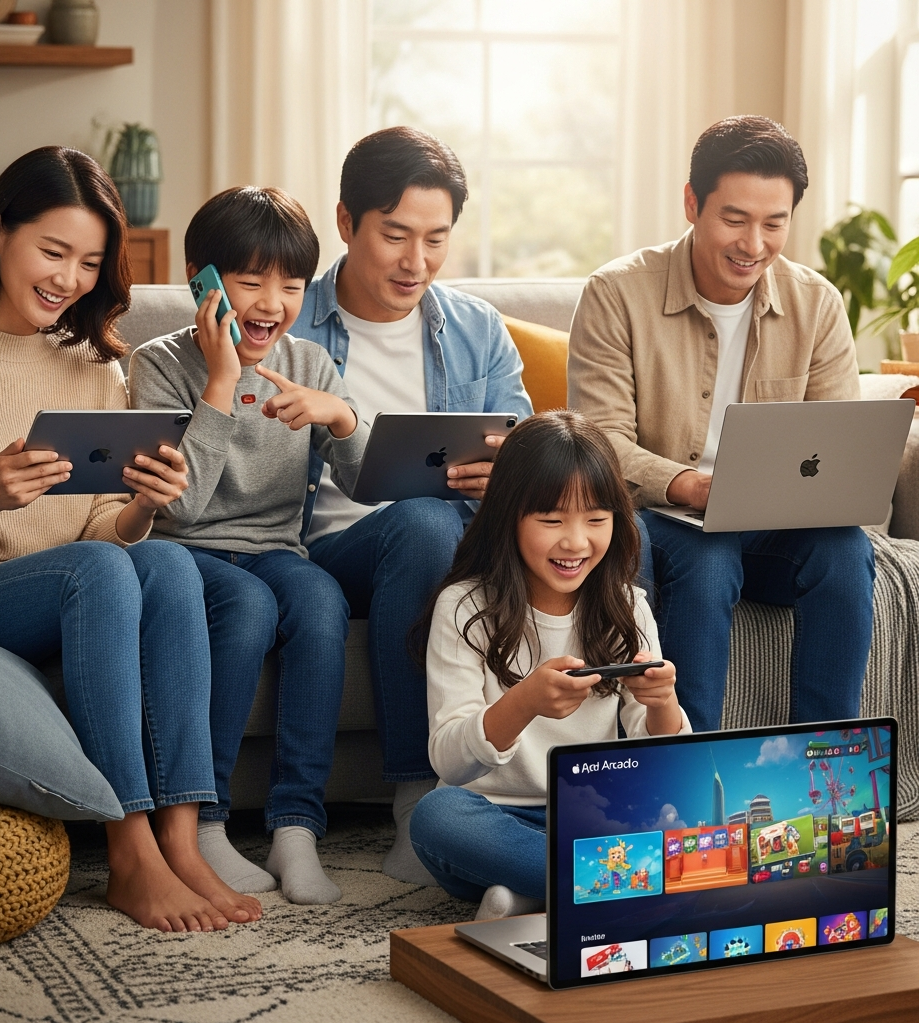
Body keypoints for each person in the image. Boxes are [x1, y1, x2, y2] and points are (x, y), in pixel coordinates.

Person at [0, 147, 260, 933]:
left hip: (67, 586)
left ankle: (181, 839)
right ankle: (128, 851)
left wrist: (139, 507)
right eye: (52, 252)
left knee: (161, 557)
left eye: (89, 263)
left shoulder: (97, 367)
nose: (68, 279)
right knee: (96, 571)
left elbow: (103, 533)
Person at [568, 115, 874, 733]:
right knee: (707, 562)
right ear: (692, 203)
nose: (753, 244)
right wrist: (688, 484)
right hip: (661, 517)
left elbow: (840, 445)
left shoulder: (817, 304)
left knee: (845, 550)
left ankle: (825, 759)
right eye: (734, 219)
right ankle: (692, 758)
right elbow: (599, 443)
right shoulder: (617, 293)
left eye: (774, 223)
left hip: (771, 527)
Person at [289, 126, 534, 884]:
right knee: (424, 522)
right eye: (395, 236)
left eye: (436, 239)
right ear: (345, 222)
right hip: (325, 550)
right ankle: (412, 795)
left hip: (444, 546)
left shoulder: (474, 329)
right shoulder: (288, 319)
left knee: (451, 528)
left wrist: (505, 475)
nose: (416, 262)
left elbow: (522, 446)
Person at [128, 186, 367, 905]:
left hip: (275, 548)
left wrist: (344, 418)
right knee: (246, 605)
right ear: (203, 282)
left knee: (320, 603)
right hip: (180, 549)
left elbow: (363, 485)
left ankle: (296, 824)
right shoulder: (158, 366)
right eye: (249, 280)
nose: (271, 302)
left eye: (290, 284)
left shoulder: (311, 364)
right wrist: (223, 383)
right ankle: (206, 819)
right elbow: (182, 502)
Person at [409, 411, 690, 920]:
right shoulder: (464, 606)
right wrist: (523, 703)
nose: (576, 542)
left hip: (594, 816)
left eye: (597, 520)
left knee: (679, 804)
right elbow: (449, 763)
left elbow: (663, 762)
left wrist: (663, 705)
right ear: (508, 517)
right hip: (491, 812)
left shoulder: (628, 606)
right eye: (552, 520)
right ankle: (612, 885)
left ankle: (533, 894)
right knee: (437, 816)